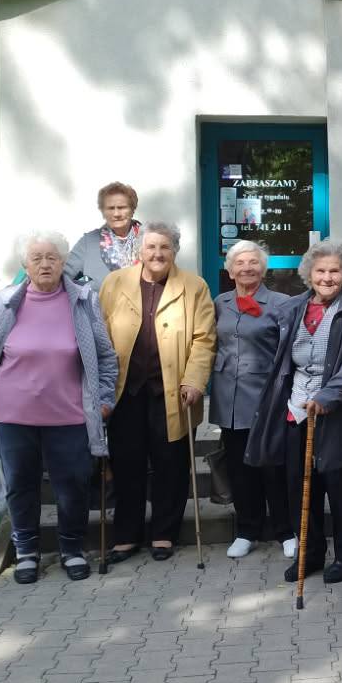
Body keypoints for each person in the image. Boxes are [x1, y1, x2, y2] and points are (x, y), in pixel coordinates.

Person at [0, 232, 117, 583]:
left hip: (69, 414)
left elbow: (106, 356)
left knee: (74, 484)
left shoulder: (83, 300)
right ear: (26, 264)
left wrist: (104, 399)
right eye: (37, 258)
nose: (45, 264)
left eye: (52, 257)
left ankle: (72, 549)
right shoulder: (4, 302)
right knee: (20, 484)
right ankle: (26, 552)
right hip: (13, 415)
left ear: (63, 263)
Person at [249, 241, 342, 583]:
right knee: (301, 487)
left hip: (341, 413)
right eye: (321, 271)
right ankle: (311, 553)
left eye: (335, 271)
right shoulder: (294, 308)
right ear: (309, 274)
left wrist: (328, 396)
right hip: (297, 411)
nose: (327, 277)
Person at [98, 221, 216, 564]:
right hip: (125, 391)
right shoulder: (114, 283)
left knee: (171, 464)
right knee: (126, 464)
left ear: (174, 251)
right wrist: (100, 386)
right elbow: (100, 333)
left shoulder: (194, 286)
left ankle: (164, 533)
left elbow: (204, 339)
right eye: (151, 247)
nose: (157, 253)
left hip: (173, 392)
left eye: (165, 247)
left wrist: (194, 380)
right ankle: (126, 536)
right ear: (140, 250)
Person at [211, 240, 291, 560]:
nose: (247, 268)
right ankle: (246, 531)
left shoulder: (281, 303)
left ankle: (285, 531)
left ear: (263, 268)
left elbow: (288, 351)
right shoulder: (219, 302)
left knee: (273, 467)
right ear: (230, 271)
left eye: (253, 262)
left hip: (266, 397)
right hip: (228, 397)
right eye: (240, 263)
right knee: (239, 468)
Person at [65, 181, 142, 291]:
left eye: (122, 207)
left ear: (132, 209)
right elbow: (67, 275)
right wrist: (90, 285)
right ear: (103, 212)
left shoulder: (150, 239)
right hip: (100, 302)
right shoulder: (88, 242)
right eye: (110, 208)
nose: (116, 214)